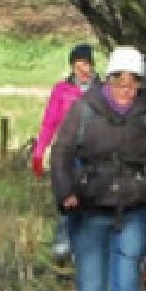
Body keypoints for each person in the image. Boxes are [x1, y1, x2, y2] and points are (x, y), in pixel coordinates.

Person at [49, 46, 146, 291]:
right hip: (89, 209)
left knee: (125, 288)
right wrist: (65, 191)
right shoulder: (84, 109)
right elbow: (61, 153)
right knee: (91, 289)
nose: (126, 88)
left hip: (135, 210)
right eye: (119, 80)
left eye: (133, 82)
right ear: (109, 78)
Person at [36, 43, 100, 262]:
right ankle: (64, 242)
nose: (85, 68)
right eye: (80, 64)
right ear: (72, 66)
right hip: (68, 153)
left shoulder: (102, 90)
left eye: (88, 63)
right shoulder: (61, 90)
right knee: (67, 197)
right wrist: (40, 150)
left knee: (92, 202)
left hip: (95, 153)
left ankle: (88, 249)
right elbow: (49, 122)